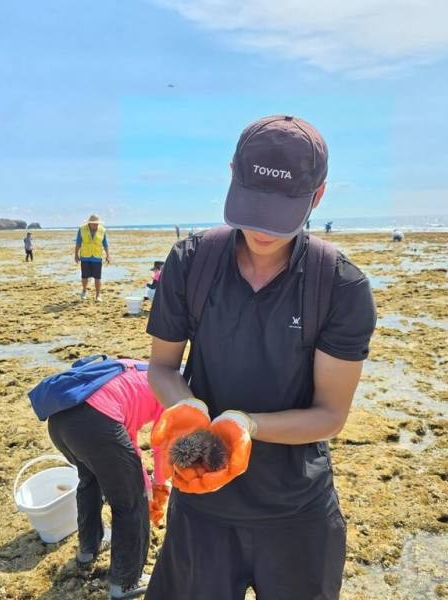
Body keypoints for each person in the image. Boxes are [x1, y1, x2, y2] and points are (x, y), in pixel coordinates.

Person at [145, 115, 377, 600]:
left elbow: (330, 415)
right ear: (232, 174)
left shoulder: (339, 285)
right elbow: (163, 367)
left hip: (296, 513)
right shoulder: (191, 262)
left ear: (317, 196)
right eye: (252, 205)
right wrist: (190, 412)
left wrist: (244, 426)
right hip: (201, 507)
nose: (262, 228)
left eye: (283, 210)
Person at [47, 359, 166, 599]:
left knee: (90, 480)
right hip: (97, 424)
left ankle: (87, 550)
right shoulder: (171, 390)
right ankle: (125, 582)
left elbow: (125, 437)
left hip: (61, 420)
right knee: (131, 503)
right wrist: (158, 484)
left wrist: (140, 476)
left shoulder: (138, 371)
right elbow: (162, 443)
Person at [75, 214, 110, 301]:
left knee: (98, 277)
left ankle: (98, 295)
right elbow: (78, 243)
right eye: (93, 223)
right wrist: (76, 254)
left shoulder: (102, 230)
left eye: (97, 223)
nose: (95, 225)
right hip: (85, 256)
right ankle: (84, 291)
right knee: (84, 276)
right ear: (89, 223)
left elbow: (105, 244)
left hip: (97, 256)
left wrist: (108, 255)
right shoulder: (82, 229)